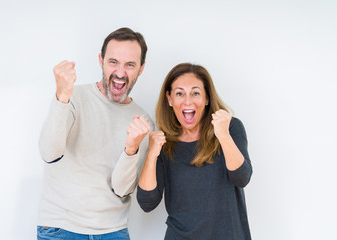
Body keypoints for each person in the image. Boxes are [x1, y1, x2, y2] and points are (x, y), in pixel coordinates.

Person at [37, 27, 154, 240]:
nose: (120, 72)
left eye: (130, 65)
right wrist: (62, 97)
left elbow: (121, 189)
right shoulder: (73, 97)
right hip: (60, 229)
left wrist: (131, 148)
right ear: (101, 60)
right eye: (113, 62)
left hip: (113, 231)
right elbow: (49, 153)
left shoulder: (143, 122)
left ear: (141, 68)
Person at [137, 63, 253, 239]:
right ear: (169, 99)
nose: (188, 101)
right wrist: (152, 155)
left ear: (207, 98)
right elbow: (147, 202)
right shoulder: (163, 144)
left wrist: (223, 136)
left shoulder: (230, 128)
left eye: (195, 93)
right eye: (179, 93)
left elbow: (241, 177)